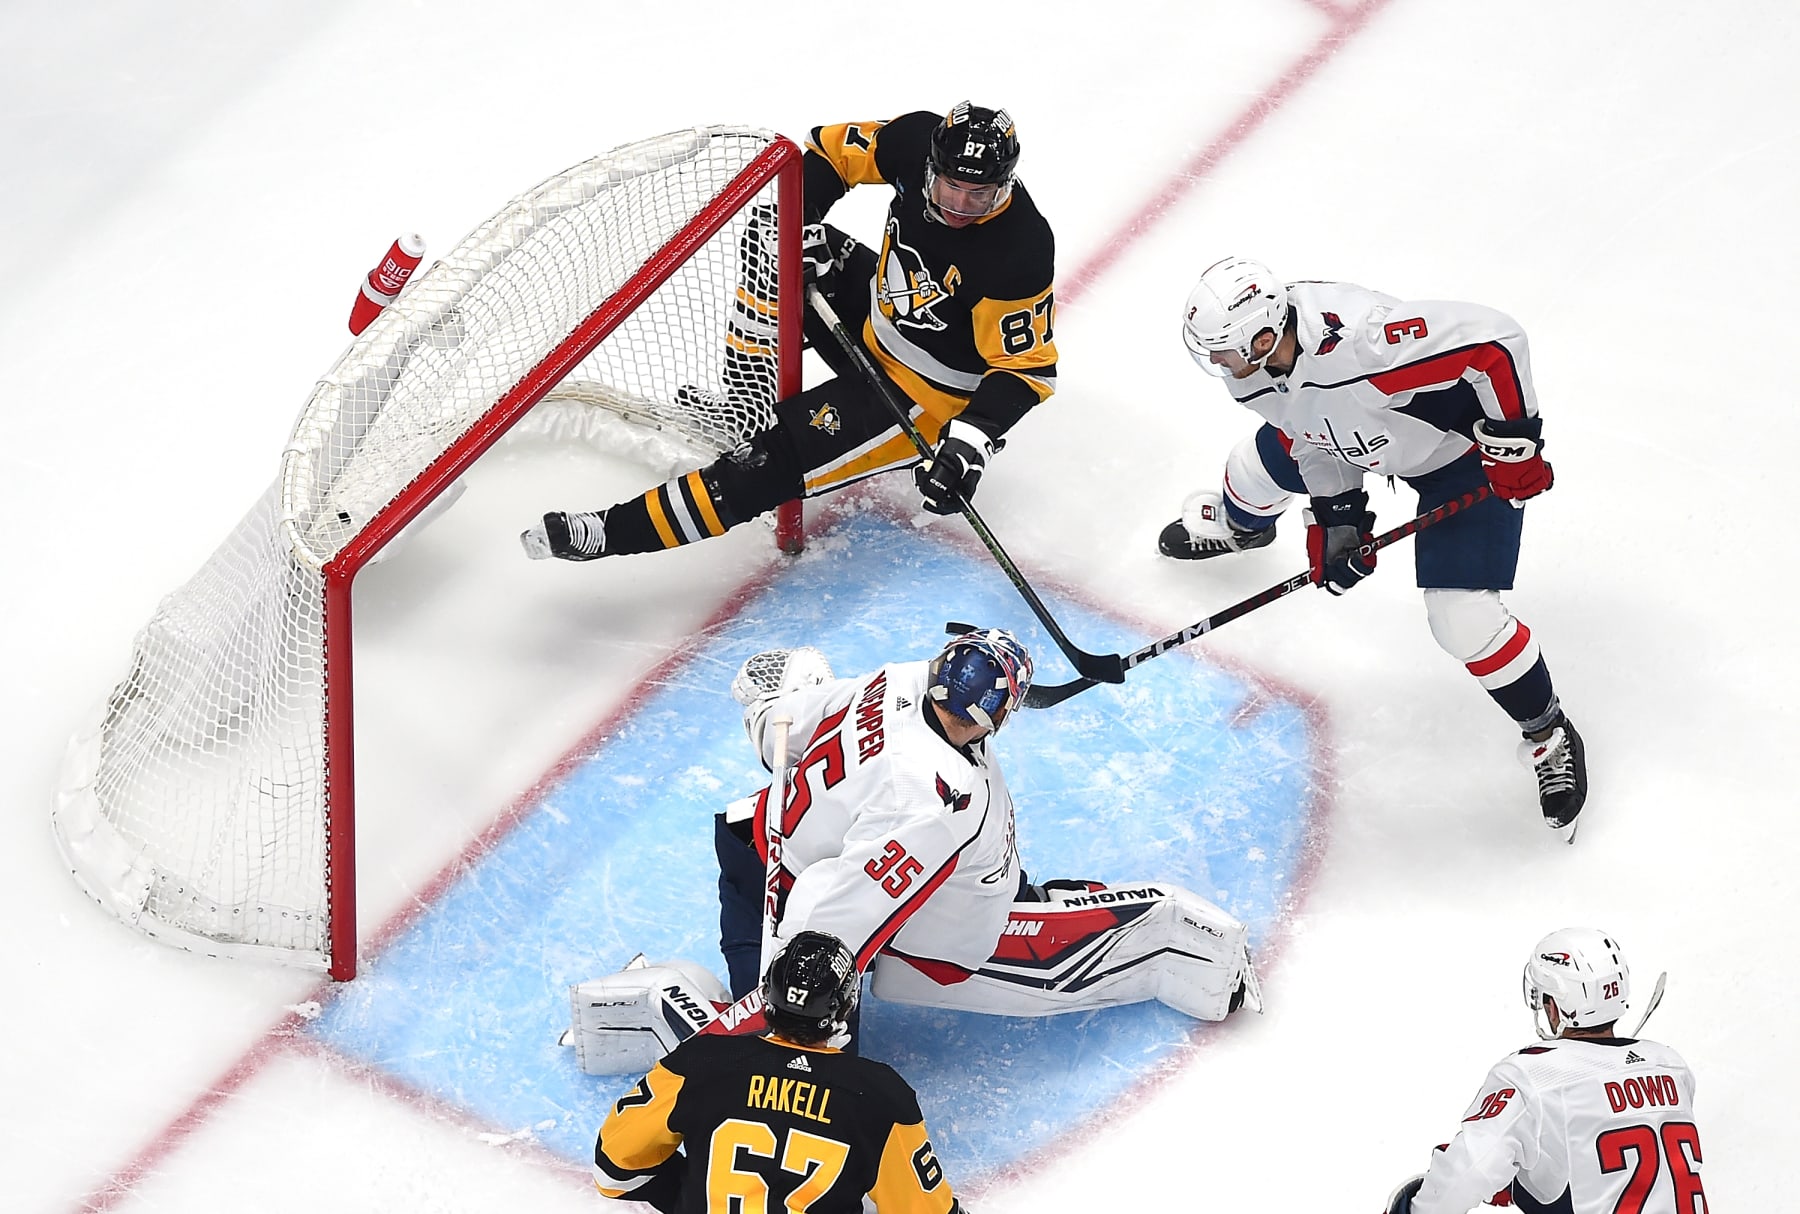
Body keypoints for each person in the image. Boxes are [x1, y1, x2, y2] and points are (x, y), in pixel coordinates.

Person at [563, 629, 1260, 1073]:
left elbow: (786, 722)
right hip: (797, 890)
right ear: (999, 713)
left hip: (762, 836)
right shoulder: (933, 800)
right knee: (796, 1061)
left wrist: (764, 711)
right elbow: (833, 922)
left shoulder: (899, 678)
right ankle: (666, 1002)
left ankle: (1040, 900)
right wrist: (796, 1002)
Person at [521, 102, 1058, 562]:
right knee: (771, 234)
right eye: (950, 186)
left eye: (978, 194)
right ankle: (746, 404)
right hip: (878, 314)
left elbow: (1028, 371)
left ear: (1004, 184)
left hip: (921, 393)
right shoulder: (914, 139)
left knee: (764, 465)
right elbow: (825, 153)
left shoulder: (1020, 249)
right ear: (931, 165)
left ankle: (608, 532)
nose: (958, 205)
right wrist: (803, 225)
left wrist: (971, 437)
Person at [1164, 257, 1588, 837]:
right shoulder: (1253, 369)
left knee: (1462, 620)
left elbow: (1495, 343)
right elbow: (1308, 432)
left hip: (1459, 463)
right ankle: (1245, 527)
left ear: (1264, 336)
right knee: (1249, 468)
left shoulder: (1367, 344)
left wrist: (1513, 445)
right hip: (1362, 442)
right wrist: (1338, 515)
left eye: (1223, 350)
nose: (1217, 363)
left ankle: (1548, 732)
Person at [592, 930, 968, 1214]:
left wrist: (692, 1197)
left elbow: (613, 1169)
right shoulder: (881, 1097)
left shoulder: (699, 1063)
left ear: (767, 996)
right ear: (846, 1008)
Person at [1384, 927, 1706, 1214]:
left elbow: (1469, 1172)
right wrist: (1521, 1185)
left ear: (1555, 1004)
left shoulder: (1532, 1076)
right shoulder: (1671, 1067)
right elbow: (1607, 1171)